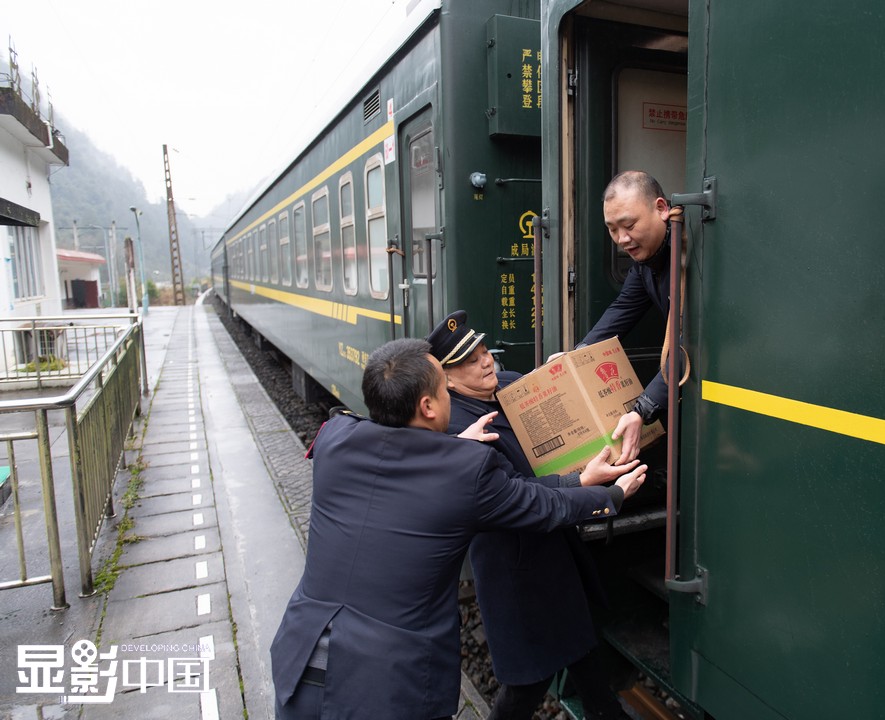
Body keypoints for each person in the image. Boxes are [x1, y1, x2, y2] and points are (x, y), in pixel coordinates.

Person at [270, 338, 647, 720]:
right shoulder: (463, 472)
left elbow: (397, 453)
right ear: (429, 406)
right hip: (387, 690)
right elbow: (542, 506)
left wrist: (445, 447)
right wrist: (611, 494)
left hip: (300, 663)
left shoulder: (335, 438)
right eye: (443, 385)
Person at [427, 311, 631, 720]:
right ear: (446, 379)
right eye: (470, 361)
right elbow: (513, 496)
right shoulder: (459, 429)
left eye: (484, 351)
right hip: (516, 569)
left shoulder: (508, 385)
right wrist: (582, 483)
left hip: (557, 548)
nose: (486, 362)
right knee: (527, 681)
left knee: (583, 649)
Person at [575, 170, 681, 464]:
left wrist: (642, 410)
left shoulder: (690, 254)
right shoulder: (646, 257)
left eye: (629, 225)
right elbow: (624, 308)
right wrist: (578, 355)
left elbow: (693, 343)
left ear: (661, 209)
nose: (622, 239)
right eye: (612, 229)